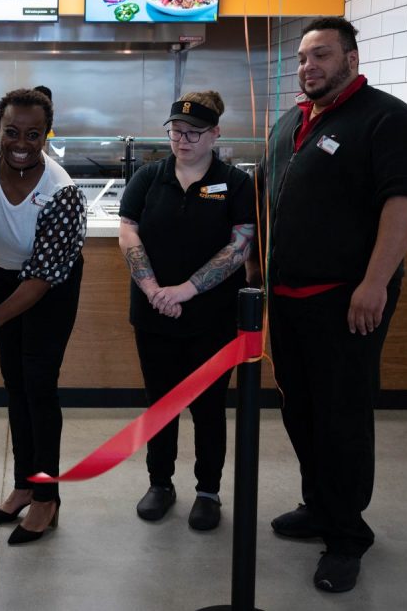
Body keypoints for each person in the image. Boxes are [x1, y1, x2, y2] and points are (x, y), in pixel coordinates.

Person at [262, 17, 407, 593]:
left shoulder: (390, 121)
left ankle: (346, 536)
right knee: (300, 409)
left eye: (323, 56)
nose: (309, 66)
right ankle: (319, 505)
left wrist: (374, 283)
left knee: (342, 416)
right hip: (286, 301)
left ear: (352, 60)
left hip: (346, 301)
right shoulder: (292, 122)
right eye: (304, 57)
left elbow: (401, 206)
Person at [118, 91, 256, 531]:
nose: (184, 140)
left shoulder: (235, 184)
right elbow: (128, 232)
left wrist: (187, 290)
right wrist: (156, 289)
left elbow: (240, 246)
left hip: (211, 319)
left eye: (195, 133)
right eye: (176, 131)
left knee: (209, 407)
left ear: (215, 133)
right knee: (160, 403)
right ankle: (160, 483)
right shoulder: (148, 177)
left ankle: (208, 491)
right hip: (153, 313)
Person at [0, 87, 86, 545]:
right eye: (11, 131)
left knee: (38, 385)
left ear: (46, 135)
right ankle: (22, 485)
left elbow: (40, 279)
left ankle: (46, 497)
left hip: (49, 288)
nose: (21, 142)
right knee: (14, 383)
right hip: (2, 273)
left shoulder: (63, 192)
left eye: (34, 134)